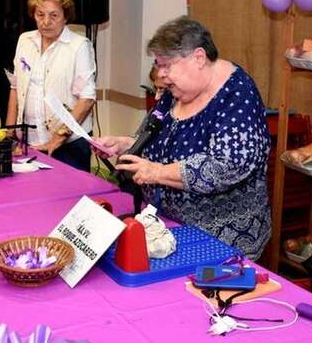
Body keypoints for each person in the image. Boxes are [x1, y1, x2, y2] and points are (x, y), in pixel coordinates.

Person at [93, 16, 271, 259]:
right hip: (166, 227)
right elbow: (157, 133)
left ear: (198, 58)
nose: (161, 74)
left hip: (220, 239)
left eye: (167, 65)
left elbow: (227, 166)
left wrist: (157, 172)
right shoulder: (177, 89)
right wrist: (127, 144)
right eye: (158, 65)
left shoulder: (237, 95)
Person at [5, 0, 96, 171]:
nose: (46, 22)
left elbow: (86, 99)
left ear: (65, 17)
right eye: (40, 15)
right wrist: (9, 131)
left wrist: (59, 137)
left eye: (54, 15)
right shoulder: (25, 40)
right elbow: (15, 87)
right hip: (28, 142)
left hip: (68, 146)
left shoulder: (79, 46)